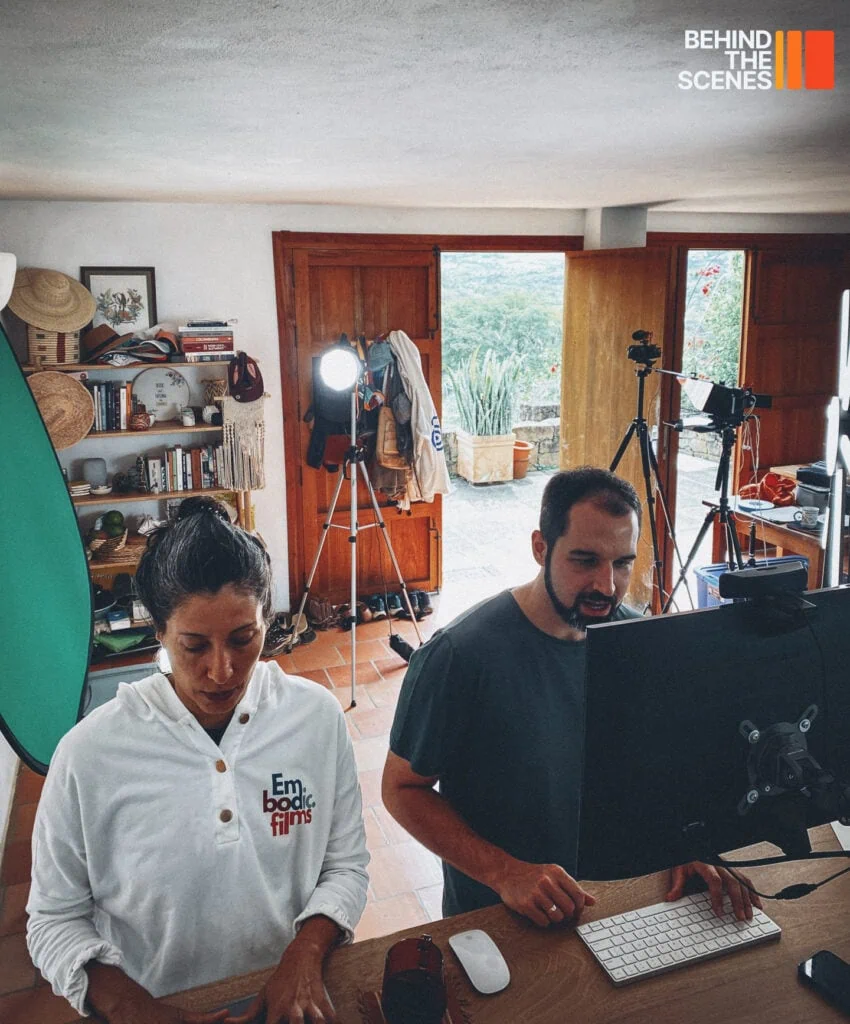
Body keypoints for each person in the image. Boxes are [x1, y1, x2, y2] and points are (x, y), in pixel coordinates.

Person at [27, 497, 369, 1024]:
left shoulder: (315, 720)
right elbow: (53, 919)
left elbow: (345, 865)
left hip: (290, 998)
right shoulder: (89, 756)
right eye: (193, 646)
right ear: (158, 630)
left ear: (267, 621)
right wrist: (131, 1006)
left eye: (243, 639)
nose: (222, 670)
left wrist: (306, 953)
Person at [382, 466, 760, 928]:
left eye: (623, 562)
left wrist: (682, 844)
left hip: (621, 900)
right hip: (502, 917)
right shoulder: (460, 656)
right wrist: (505, 873)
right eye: (585, 560)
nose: (607, 585)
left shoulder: (638, 640)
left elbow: (654, 767)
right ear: (541, 547)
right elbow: (401, 789)